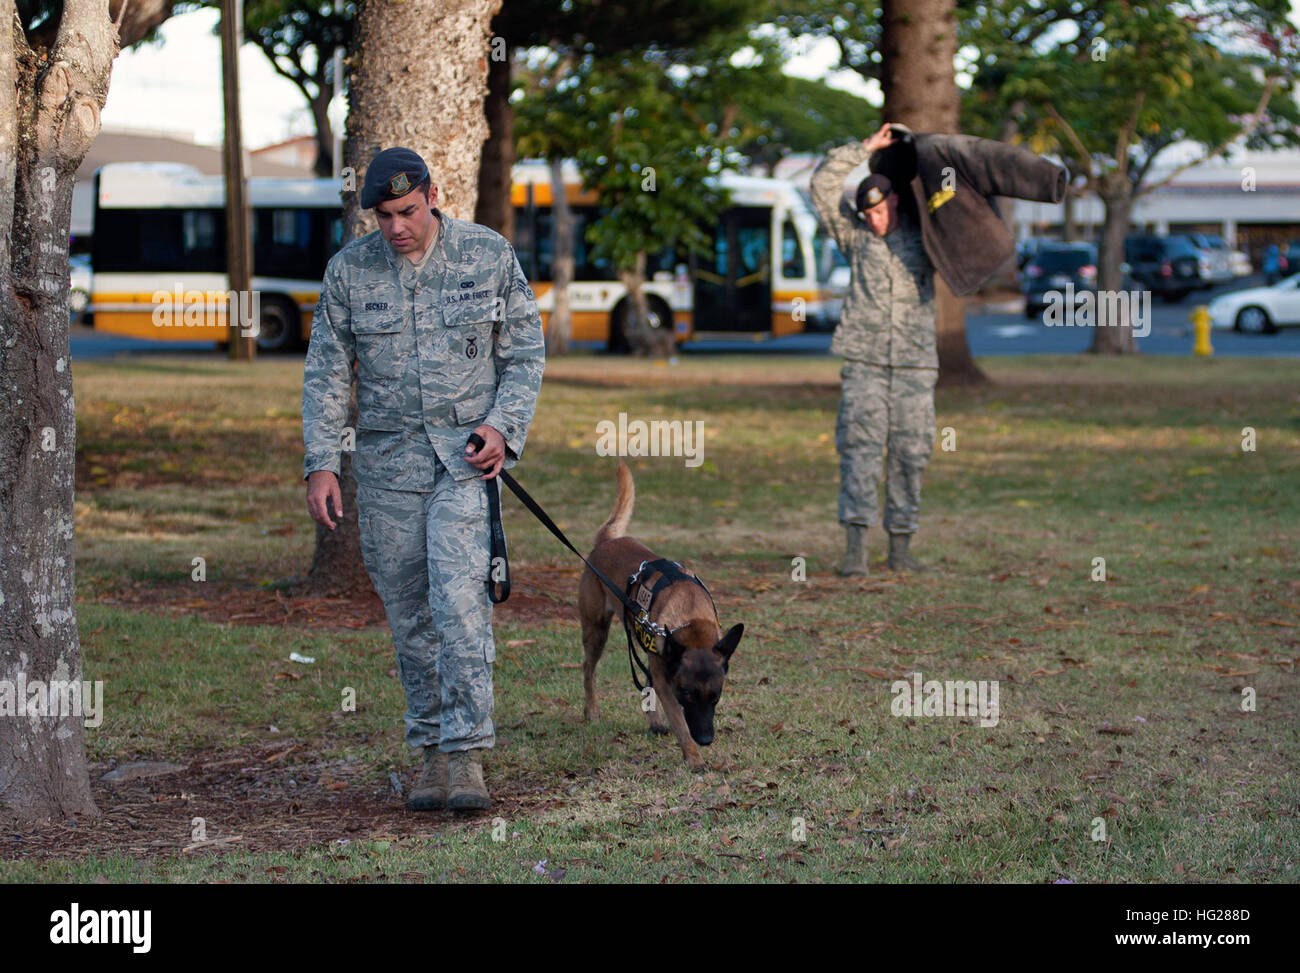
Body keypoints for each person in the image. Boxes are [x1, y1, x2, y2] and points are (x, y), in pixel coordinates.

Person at [302, 147, 545, 811]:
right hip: (388, 469)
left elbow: (524, 353)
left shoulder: (486, 254)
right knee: (411, 615)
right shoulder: (350, 272)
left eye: (408, 211)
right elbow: (327, 370)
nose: (397, 226)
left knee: (460, 604)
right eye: (384, 215)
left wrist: (503, 427)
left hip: (465, 462)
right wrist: (322, 460)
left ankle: (467, 755)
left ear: (433, 195)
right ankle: (431, 751)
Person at [811, 123, 937, 576]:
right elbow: (822, 185)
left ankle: (901, 552)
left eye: (879, 212)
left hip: (914, 365)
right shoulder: (856, 238)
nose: (873, 220)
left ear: (895, 201)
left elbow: (957, 199)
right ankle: (855, 554)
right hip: (863, 364)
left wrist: (920, 149)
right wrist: (864, 149)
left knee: (911, 453)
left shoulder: (927, 239)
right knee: (859, 452)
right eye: (866, 214)